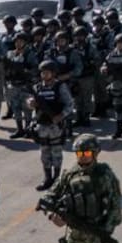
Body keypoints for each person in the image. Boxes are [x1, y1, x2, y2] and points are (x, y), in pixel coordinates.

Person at [30, 59, 75, 191]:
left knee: (56, 153)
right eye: (42, 72)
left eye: (47, 72)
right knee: (44, 153)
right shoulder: (37, 87)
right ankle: (47, 178)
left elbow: (70, 104)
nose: (44, 75)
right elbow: (31, 104)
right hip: (42, 125)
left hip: (55, 126)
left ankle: (56, 179)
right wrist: (31, 103)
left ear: (53, 73)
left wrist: (61, 116)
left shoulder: (60, 86)